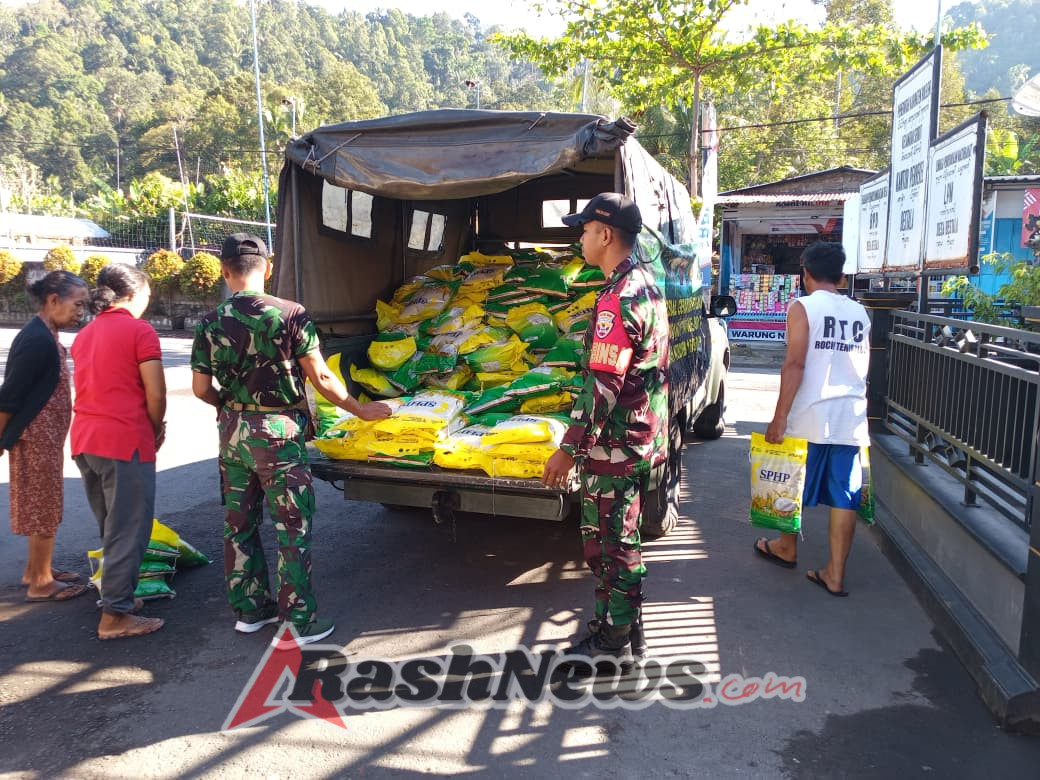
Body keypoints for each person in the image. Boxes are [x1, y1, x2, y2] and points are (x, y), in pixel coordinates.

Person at [191, 233, 391, 647]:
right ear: (268, 268)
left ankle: (250, 611)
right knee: (291, 526)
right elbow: (320, 376)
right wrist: (362, 409)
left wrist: (228, 408)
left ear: (225, 272)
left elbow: (199, 388)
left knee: (239, 523)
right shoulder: (290, 314)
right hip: (279, 433)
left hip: (232, 432)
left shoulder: (210, 321)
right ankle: (299, 620)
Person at [541, 193, 670, 662]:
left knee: (609, 547)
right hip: (638, 439)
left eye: (583, 230)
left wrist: (569, 450)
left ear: (605, 234)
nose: (579, 237)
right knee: (621, 539)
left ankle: (614, 643)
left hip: (615, 446)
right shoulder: (646, 286)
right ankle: (623, 629)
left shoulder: (617, 301)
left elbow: (603, 386)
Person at [753, 241, 870, 597]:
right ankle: (835, 573)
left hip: (811, 415)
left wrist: (779, 417)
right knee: (844, 496)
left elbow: (796, 363)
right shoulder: (861, 313)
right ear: (841, 275)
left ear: (805, 273)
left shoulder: (803, 307)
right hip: (850, 416)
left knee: (792, 482)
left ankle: (787, 547)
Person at [72, 263, 166, 639]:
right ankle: (114, 617)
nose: (147, 303)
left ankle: (118, 598)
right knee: (129, 530)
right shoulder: (139, 331)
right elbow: (155, 394)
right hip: (124, 441)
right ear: (134, 294)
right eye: (147, 295)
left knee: (111, 527)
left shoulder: (86, 334)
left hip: (86, 440)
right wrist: (156, 428)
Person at [0, 270, 90, 602]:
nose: (80, 313)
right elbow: (9, 396)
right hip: (35, 438)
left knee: (45, 505)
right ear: (53, 300)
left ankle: (37, 568)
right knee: (43, 508)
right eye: (77, 305)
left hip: (45, 438)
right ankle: (40, 581)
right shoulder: (37, 338)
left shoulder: (44, 333)